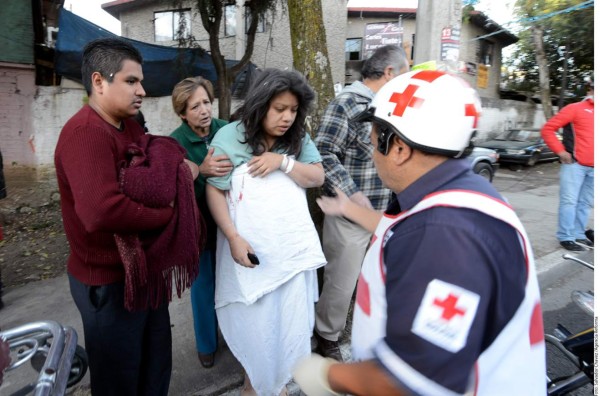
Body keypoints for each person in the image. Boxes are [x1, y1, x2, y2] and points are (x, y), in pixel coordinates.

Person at [293, 70, 546, 395]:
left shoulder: (447, 235)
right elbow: (395, 228)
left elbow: (407, 381)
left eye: (374, 144)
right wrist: (349, 208)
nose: (372, 154)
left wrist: (327, 377)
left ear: (398, 148)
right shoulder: (448, 195)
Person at [54, 37, 200, 395]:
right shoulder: (85, 133)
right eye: (131, 81)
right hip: (108, 284)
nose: (142, 90)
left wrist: (179, 170)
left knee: (155, 365)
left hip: (143, 274)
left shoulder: (129, 125)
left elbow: (157, 162)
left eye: (141, 81)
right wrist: (168, 215)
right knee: (120, 379)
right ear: (99, 83)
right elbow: (101, 212)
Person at [206, 68, 326, 396]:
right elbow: (215, 190)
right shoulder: (229, 137)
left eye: (293, 110)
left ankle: (279, 384)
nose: (287, 117)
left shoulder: (298, 139)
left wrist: (282, 162)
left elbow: (317, 177)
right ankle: (255, 384)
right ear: (261, 105)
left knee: (289, 321)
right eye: (279, 109)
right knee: (256, 324)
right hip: (250, 252)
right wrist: (232, 236)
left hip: (289, 254)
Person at [312, 45, 410, 360]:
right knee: (342, 281)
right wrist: (351, 193)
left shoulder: (391, 106)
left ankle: (367, 330)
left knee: (377, 276)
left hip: (386, 211)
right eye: (405, 72)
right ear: (390, 73)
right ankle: (326, 335)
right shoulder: (347, 104)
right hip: (350, 214)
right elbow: (323, 150)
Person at [169, 76, 233, 368]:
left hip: (231, 223)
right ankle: (207, 344)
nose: (204, 110)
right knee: (203, 286)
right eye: (195, 106)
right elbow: (174, 193)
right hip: (199, 229)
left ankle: (235, 336)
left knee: (231, 283)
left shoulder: (227, 130)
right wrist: (202, 172)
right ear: (183, 113)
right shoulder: (175, 144)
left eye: (207, 102)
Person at [541, 81, 594, 251]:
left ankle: (579, 234)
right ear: (591, 88)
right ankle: (566, 236)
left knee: (585, 203)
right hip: (575, 165)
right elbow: (548, 129)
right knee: (569, 201)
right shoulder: (575, 108)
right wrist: (560, 151)